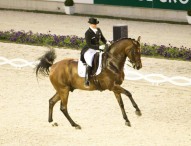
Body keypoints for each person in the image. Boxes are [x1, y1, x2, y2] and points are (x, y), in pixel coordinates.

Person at [80, 17, 110, 87]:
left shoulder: (98, 29)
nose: (95, 25)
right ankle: (87, 79)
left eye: (95, 24)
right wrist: (98, 47)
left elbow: (102, 38)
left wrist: (107, 42)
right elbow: (89, 44)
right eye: (93, 24)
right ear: (90, 24)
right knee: (90, 61)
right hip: (89, 49)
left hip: (98, 48)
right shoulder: (88, 33)